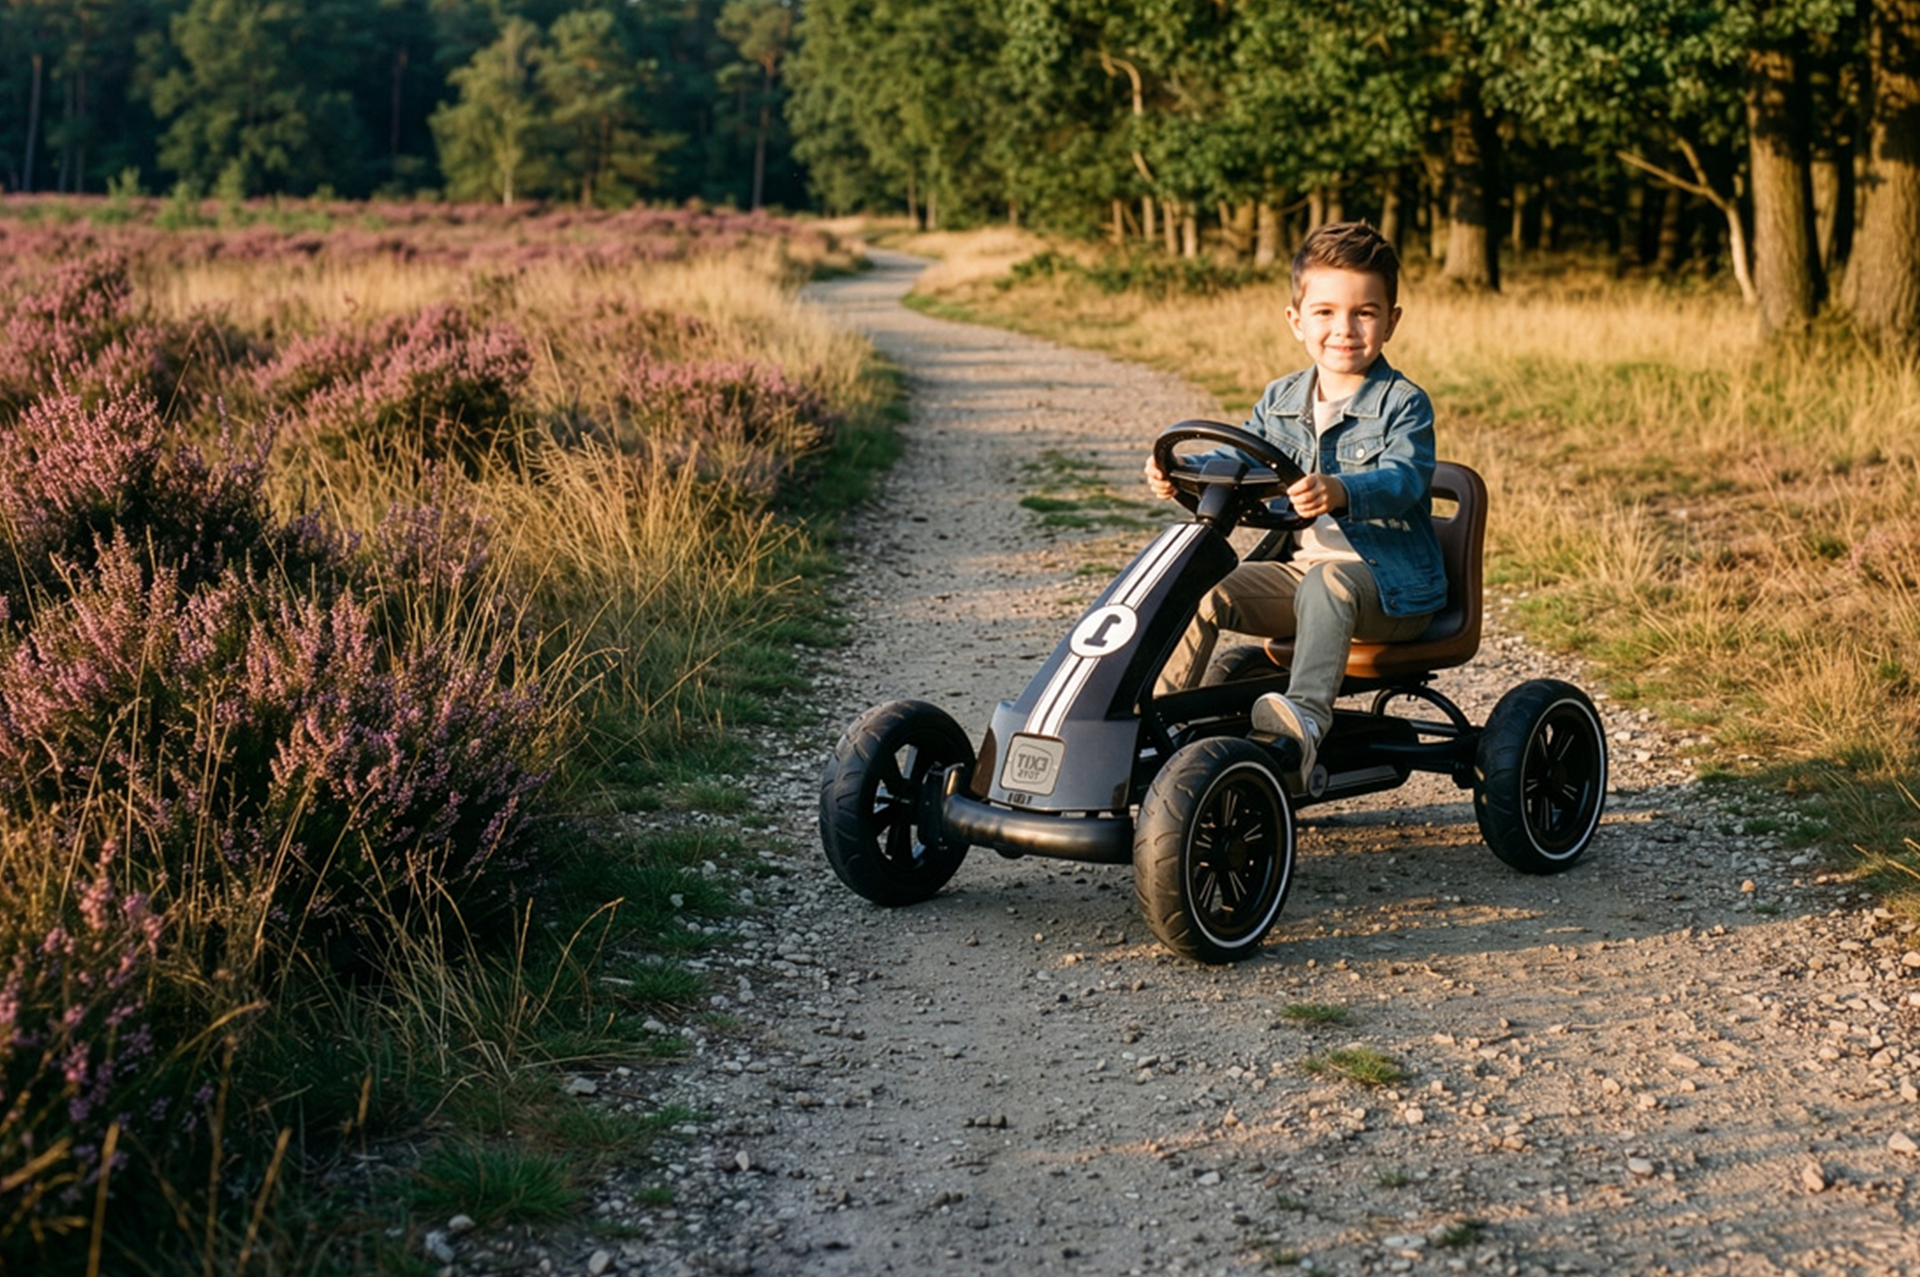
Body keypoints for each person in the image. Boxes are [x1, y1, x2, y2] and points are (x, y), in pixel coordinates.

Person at [1143, 220, 1447, 780]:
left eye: (1365, 312)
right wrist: (1183, 473)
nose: (1344, 329)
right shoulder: (1280, 398)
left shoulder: (1403, 403)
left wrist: (1343, 489)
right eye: (1325, 312)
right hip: (1300, 578)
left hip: (1389, 590)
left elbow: (1405, 479)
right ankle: (1157, 723)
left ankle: (1303, 722)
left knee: (1328, 583)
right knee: (1201, 584)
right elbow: (1239, 461)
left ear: (1391, 321)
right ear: (1296, 320)